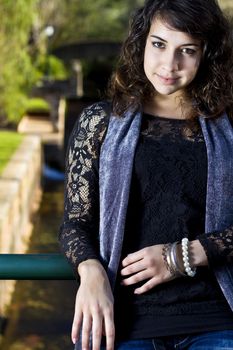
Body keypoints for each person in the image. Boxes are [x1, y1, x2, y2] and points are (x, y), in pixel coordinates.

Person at [59, 0, 233, 349]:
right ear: (142, 42)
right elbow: (75, 223)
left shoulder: (229, 126)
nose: (169, 64)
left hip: (214, 318)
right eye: (159, 44)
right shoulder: (100, 122)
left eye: (187, 50)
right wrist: (90, 270)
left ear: (207, 55)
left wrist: (182, 255)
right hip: (123, 320)